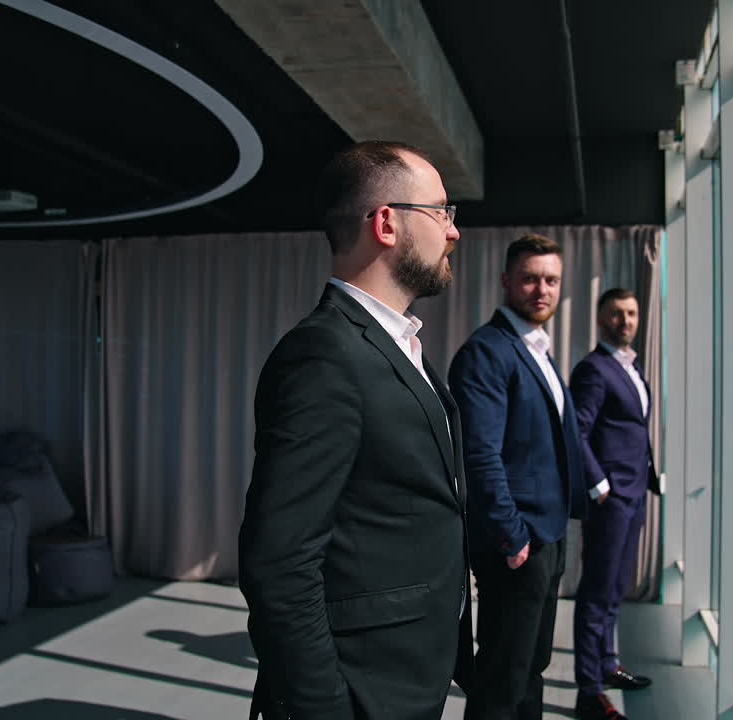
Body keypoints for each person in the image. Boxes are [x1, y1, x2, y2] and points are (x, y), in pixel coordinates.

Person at [239, 140, 472, 720]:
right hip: (363, 690)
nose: (453, 232)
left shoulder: (399, 343)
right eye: (441, 212)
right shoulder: (323, 356)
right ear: (387, 223)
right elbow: (280, 563)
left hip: (410, 671)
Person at [448, 233, 588, 720]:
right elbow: (480, 454)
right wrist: (512, 536)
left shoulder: (540, 352)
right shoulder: (487, 351)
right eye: (529, 279)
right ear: (507, 281)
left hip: (546, 538)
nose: (541, 289)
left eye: (551, 280)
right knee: (501, 681)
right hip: (517, 543)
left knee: (531, 668)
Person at [569, 288, 661, 720]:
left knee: (615, 589)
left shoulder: (632, 366)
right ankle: (588, 690)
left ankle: (607, 666)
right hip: (611, 499)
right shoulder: (594, 369)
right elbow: (578, 432)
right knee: (596, 592)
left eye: (631, 313)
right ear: (601, 319)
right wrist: (600, 485)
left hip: (635, 492)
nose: (625, 321)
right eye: (616, 314)